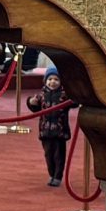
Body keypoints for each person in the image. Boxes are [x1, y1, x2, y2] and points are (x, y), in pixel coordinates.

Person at [32, 61, 74, 189]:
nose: (52, 82)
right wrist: (31, 102)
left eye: (56, 79)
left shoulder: (64, 95)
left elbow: (74, 102)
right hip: (45, 131)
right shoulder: (41, 95)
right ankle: (51, 173)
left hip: (59, 132)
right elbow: (35, 108)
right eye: (50, 79)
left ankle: (57, 176)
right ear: (45, 81)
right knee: (48, 155)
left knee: (59, 156)